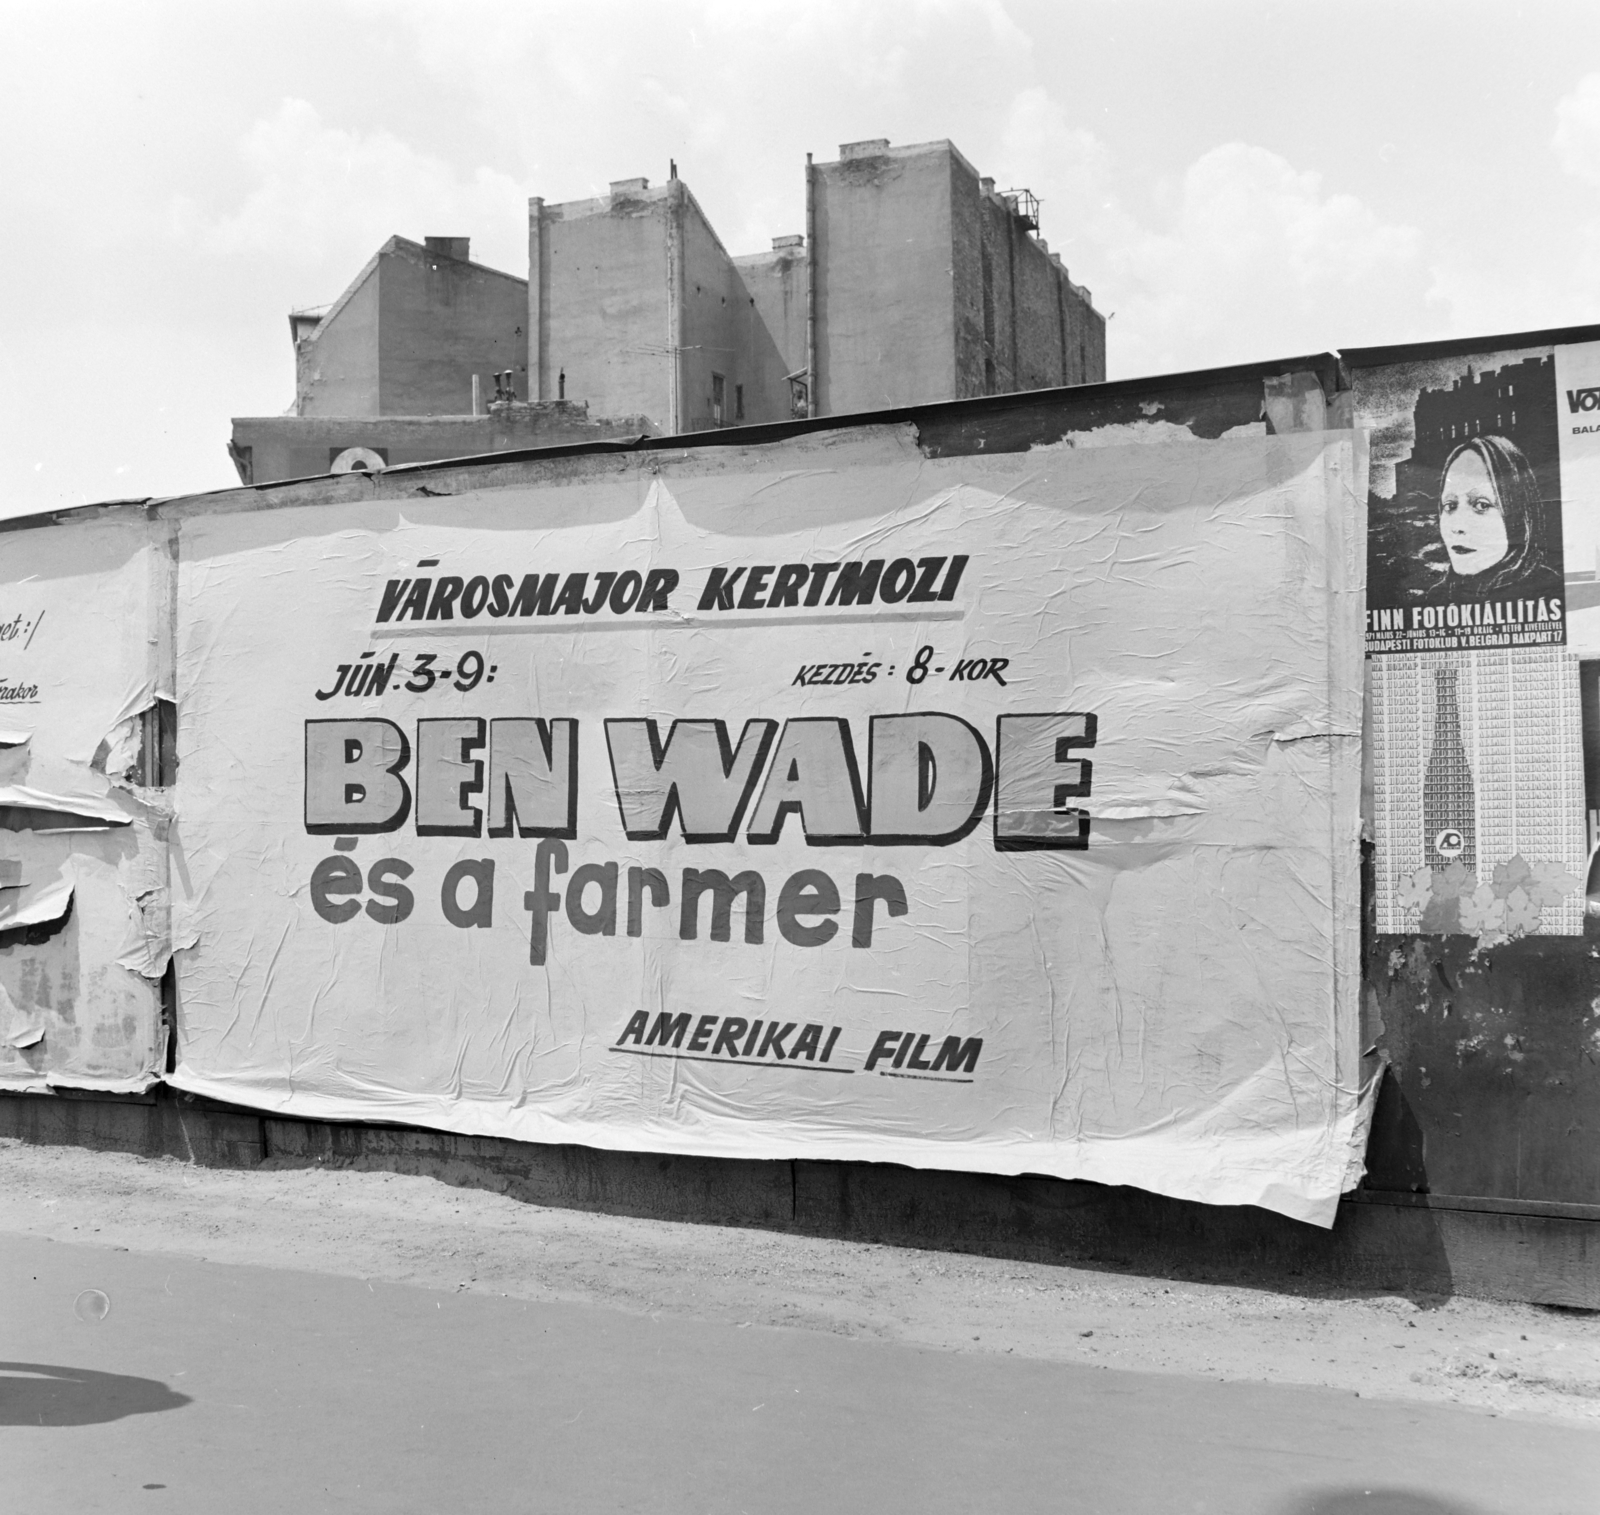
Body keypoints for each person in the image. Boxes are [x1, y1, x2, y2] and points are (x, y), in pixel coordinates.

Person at [1426, 434, 1560, 601]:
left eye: (1482, 505)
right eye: (1450, 506)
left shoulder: (1549, 591)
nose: (1458, 526)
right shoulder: (1437, 597)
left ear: (1518, 514)